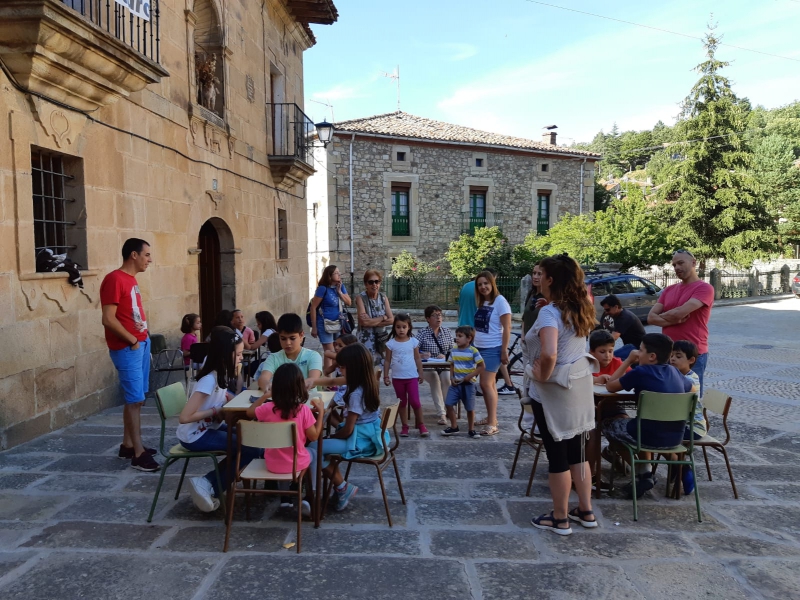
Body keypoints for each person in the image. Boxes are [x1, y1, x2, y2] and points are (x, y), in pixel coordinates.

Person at [524, 254, 598, 535]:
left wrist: (539, 375)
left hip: (554, 392)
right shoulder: (580, 308)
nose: (538, 278)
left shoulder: (548, 313)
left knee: (557, 456)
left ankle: (560, 517)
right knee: (578, 453)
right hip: (579, 387)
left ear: (551, 279)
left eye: (541, 274)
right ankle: (586, 511)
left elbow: (550, 352)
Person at [604, 333, 694, 498]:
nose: (638, 353)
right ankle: (645, 474)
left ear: (652, 356)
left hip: (645, 436)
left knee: (607, 424)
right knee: (640, 424)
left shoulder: (640, 372)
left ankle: (643, 474)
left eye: (640, 350)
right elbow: (692, 390)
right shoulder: (675, 372)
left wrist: (628, 361)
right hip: (675, 437)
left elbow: (610, 386)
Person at [180, 328, 261, 512]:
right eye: (239, 354)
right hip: (195, 435)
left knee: (249, 440)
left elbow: (224, 396)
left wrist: (239, 402)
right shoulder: (209, 380)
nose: (241, 358)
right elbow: (185, 417)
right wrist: (215, 410)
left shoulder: (220, 374)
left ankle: (208, 483)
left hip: (209, 428)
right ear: (225, 354)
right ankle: (210, 486)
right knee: (250, 448)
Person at [100, 237, 159, 472]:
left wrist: (142, 338)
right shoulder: (114, 279)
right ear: (133, 255)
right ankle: (138, 453)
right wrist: (133, 340)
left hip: (141, 345)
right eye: (146, 255)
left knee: (137, 399)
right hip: (129, 347)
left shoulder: (130, 280)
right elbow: (108, 319)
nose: (150, 260)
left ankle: (127, 445)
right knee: (135, 401)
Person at [317, 344, 388, 511]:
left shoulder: (356, 393)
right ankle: (336, 486)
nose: (340, 371)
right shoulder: (367, 380)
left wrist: (332, 437)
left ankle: (342, 487)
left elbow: (348, 430)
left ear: (354, 368)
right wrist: (313, 380)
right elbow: (333, 380)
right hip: (370, 436)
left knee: (313, 448)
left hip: (359, 441)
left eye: (342, 367)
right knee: (319, 446)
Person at [246, 363, 324, 515]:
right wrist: (320, 413)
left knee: (281, 451)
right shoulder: (303, 410)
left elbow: (249, 413)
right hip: (296, 464)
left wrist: (265, 396)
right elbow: (314, 436)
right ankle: (310, 495)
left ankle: (285, 499)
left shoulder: (267, 409)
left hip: (272, 464)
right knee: (313, 453)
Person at [648, 249, 714, 395]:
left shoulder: (704, 288)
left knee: (690, 400)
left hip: (692, 354)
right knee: (667, 396)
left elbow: (680, 313)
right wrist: (673, 320)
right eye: (674, 265)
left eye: (680, 263)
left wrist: (668, 316)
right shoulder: (668, 290)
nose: (677, 267)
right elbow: (650, 318)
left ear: (694, 263)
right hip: (668, 353)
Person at [473, 270, 512, 436]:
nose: (483, 287)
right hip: (480, 348)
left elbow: (507, 328)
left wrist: (504, 350)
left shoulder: (500, 302)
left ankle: (492, 423)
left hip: (492, 348)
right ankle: (491, 418)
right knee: (490, 385)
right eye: (480, 284)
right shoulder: (483, 303)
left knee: (485, 384)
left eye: (486, 283)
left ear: (492, 283)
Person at [669, 339, 706, 495]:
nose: (672, 359)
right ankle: (679, 466)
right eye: (671, 355)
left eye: (678, 356)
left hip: (693, 428)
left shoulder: (689, 380)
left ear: (691, 360)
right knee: (656, 434)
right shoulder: (678, 375)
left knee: (654, 437)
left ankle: (683, 467)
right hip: (681, 424)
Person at [255, 313, 322, 395]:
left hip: (307, 401)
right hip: (280, 402)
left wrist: (282, 388)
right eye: (283, 338)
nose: (288, 343)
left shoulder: (313, 356)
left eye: (292, 338)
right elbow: (263, 379)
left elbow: (313, 380)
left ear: (301, 336)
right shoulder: (273, 357)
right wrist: (267, 385)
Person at [384, 314, 427, 437]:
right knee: (402, 403)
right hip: (398, 379)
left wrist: (421, 373)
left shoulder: (413, 342)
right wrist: (386, 376)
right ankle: (404, 426)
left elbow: (417, 358)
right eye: (398, 327)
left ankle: (421, 424)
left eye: (404, 327)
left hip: (412, 377)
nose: (401, 329)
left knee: (415, 402)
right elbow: (387, 361)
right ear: (394, 328)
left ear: (409, 327)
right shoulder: (391, 344)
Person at [415, 305, 455, 425]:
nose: (438, 318)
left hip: (443, 365)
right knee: (434, 378)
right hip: (428, 366)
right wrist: (422, 355)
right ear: (428, 319)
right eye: (434, 315)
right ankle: (442, 413)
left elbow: (453, 350)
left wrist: (445, 355)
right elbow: (413, 350)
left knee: (446, 379)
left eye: (440, 315)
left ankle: (449, 408)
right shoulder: (422, 333)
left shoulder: (447, 332)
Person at [442, 326, 484, 438]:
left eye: (460, 336)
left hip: (469, 384)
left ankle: (471, 429)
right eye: (456, 336)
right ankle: (454, 426)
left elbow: (481, 366)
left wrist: (470, 376)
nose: (457, 338)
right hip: (456, 383)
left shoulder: (473, 351)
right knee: (449, 403)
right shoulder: (454, 350)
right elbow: (451, 364)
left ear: (469, 338)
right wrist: (451, 377)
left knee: (470, 408)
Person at [310, 265, 352, 371]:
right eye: (336, 273)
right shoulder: (322, 289)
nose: (339, 275)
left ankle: (334, 375)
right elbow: (313, 307)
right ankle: (329, 380)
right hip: (324, 323)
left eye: (339, 272)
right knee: (330, 352)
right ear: (329, 275)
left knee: (338, 350)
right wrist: (314, 327)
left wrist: (340, 293)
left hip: (338, 322)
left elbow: (349, 302)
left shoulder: (340, 286)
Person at [355, 270, 393, 378]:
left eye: (377, 281)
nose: (374, 285)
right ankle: (367, 393)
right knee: (366, 369)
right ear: (366, 284)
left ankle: (375, 393)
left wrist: (372, 321)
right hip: (365, 340)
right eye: (371, 282)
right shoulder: (361, 298)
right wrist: (383, 317)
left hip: (380, 340)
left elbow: (391, 319)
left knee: (378, 370)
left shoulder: (383, 298)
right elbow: (364, 322)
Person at [600, 294, 646, 360]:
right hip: (630, 345)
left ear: (616, 307)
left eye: (608, 310)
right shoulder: (617, 314)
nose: (606, 312)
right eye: (605, 310)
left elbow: (613, 338)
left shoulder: (625, 317)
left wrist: (597, 347)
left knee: (610, 358)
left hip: (636, 347)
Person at [522, 263, 546, 336]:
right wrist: (523, 335)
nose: (535, 277)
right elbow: (524, 318)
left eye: (539, 274)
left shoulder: (548, 296)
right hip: (526, 340)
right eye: (534, 273)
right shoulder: (531, 293)